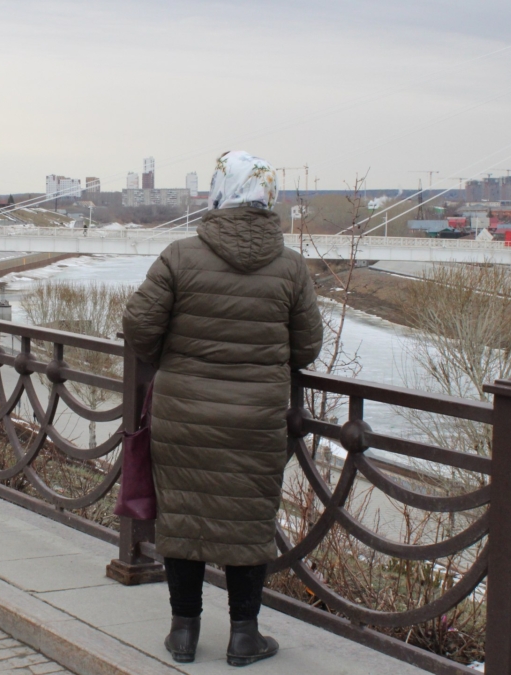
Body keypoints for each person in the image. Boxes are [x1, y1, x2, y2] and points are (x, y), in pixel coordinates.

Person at [122, 151, 322, 667]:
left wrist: (175, 354)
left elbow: (139, 328)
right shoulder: (291, 268)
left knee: (184, 516)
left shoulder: (179, 256)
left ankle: (184, 633)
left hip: (183, 415)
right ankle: (243, 637)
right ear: (267, 200)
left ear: (218, 193)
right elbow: (308, 349)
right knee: (246, 521)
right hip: (256, 421)